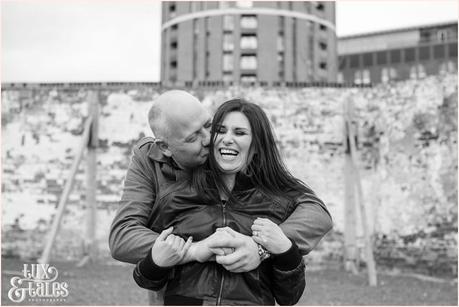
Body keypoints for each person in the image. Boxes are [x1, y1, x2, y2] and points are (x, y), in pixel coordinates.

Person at [109, 90, 332, 303]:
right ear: (165, 147)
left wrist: (261, 248)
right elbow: (123, 237)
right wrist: (195, 250)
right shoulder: (150, 161)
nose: (209, 139)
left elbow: (315, 213)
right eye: (193, 137)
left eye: (208, 125)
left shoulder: (247, 173)